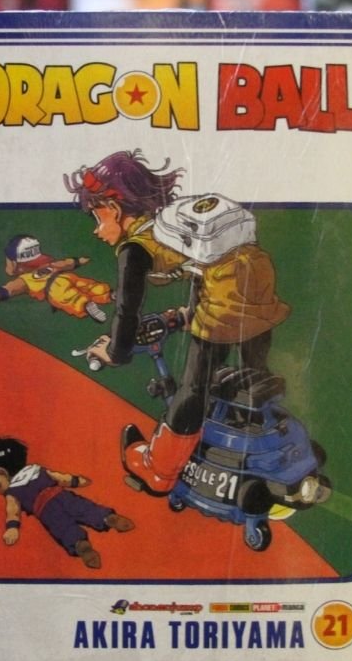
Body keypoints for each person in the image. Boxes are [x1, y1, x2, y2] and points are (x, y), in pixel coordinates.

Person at [64, 148, 290, 496]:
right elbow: (209, 267)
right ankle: (258, 445)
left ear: (114, 208)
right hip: (259, 282)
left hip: (226, 304)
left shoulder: (135, 248)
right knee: (252, 376)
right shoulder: (173, 223)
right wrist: (188, 314)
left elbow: (127, 310)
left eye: (97, 217)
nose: (97, 230)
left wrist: (116, 351)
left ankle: (159, 470)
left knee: (194, 389)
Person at [0, 436, 134, 569]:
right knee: (86, 509)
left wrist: (12, 528)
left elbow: (13, 511)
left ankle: (82, 547)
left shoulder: (13, 492)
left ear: (2, 472)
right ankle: (108, 518)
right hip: (64, 496)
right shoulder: (37, 470)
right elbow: (60, 478)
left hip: (47, 511)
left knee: (65, 530)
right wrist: (76, 481)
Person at [0, 234, 111, 322]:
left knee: (71, 298)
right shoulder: (48, 265)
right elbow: (65, 264)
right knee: (88, 285)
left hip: (53, 290)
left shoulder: (26, 279)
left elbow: (11, 288)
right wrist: (78, 261)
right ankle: (108, 294)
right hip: (66, 277)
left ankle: (86, 305)